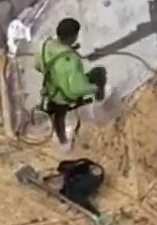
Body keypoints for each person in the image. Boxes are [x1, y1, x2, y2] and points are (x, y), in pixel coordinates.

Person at [35, 18, 107, 151]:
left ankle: (63, 142)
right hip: (64, 96)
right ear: (72, 37)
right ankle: (100, 106)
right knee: (99, 73)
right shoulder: (72, 60)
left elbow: (38, 65)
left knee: (58, 116)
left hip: (51, 90)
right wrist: (94, 88)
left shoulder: (45, 44)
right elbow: (74, 90)